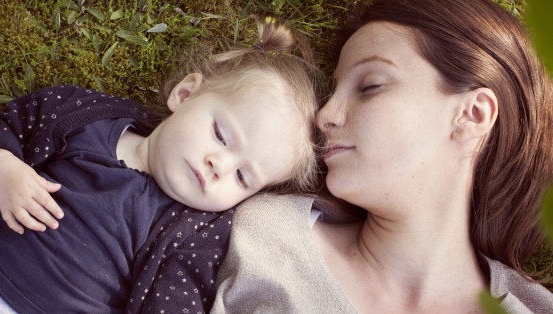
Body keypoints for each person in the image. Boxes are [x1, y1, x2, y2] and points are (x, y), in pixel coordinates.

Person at [0, 20, 323, 312]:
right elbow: (6, 126)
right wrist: (1, 170)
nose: (218, 166)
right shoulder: (86, 118)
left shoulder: (196, 231)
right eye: (221, 135)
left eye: (242, 176)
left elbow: (178, 299)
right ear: (185, 94)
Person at [212, 0, 553, 312]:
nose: (324, 114)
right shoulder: (258, 234)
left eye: (370, 85)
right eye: (332, 92)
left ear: (473, 115)